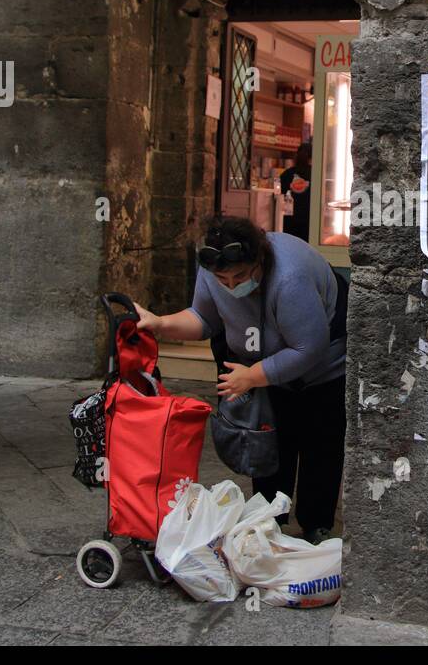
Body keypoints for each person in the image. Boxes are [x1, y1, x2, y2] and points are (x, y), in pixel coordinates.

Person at [134, 215, 347, 544]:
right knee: (270, 438)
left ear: (259, 259)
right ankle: (268, 521)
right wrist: (160, 324)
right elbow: (202, 318)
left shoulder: (289, 277)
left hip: (322, 367)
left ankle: (316, 524)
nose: (232, 286)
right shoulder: (211, 273)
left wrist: (252, 375)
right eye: (223, 279)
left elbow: (309, 348)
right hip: (261, 360)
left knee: (319, 442)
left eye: (241, 277)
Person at [280, 142, 313, 242]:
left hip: (289, 222)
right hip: (309, 222)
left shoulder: (287, 174)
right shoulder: (315, 174)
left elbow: (279, 195)